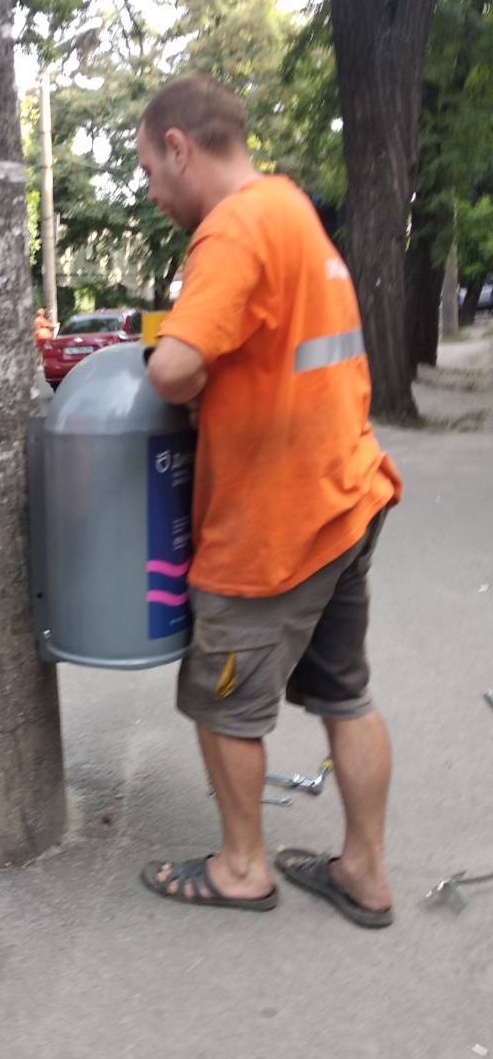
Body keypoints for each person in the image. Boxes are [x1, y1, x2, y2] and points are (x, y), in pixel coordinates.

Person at [135, 74, 402, 928]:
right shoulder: (293, 211)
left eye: (149, 169)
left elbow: (174, 366)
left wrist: (170, 370)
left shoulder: (233, 228)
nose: (151, 189)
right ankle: (363, 870)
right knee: (344, 695)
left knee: (223, 701)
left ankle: (241, 866)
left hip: (274, 525)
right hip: (344, 496)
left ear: (180, 145)